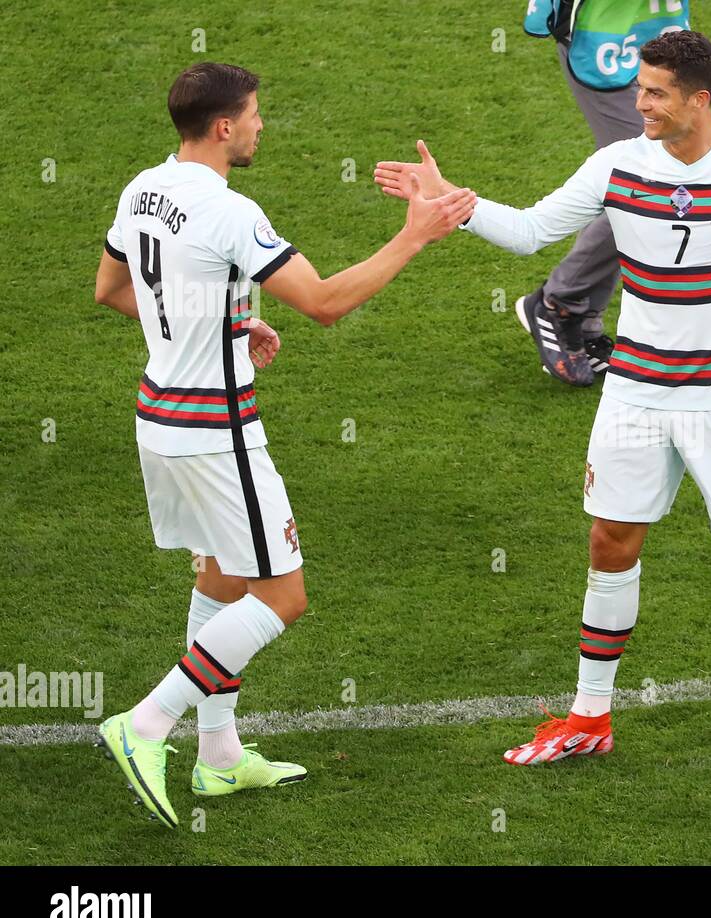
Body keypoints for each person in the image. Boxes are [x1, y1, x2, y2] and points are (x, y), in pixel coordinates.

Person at [380, 30, 711, 759]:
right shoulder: (616, 165)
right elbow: (533, 232)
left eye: (656, 92)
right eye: (640, 88)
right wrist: (455, 202)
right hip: (634, 390)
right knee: (610, 540)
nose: (641, 103)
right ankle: (591, 716)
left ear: (700, 99)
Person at [93, 62, 475, 828]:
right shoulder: (231, 211)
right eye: (256, 115)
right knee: (282, 594)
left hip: (159, 421)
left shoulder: (143, 188)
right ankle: (144, 726)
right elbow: (327, 303)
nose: (263, 126)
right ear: (225, 126)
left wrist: (227, 321)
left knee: (225, 576)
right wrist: (414, 236)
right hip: (216, 434)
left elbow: (113, 289)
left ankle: (220, 759)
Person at [515, 0, 692, 387]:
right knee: (648, 181)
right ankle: (558, 303)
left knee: (647, 181)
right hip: (603, 45)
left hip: (654, 34)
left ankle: (581, 318)